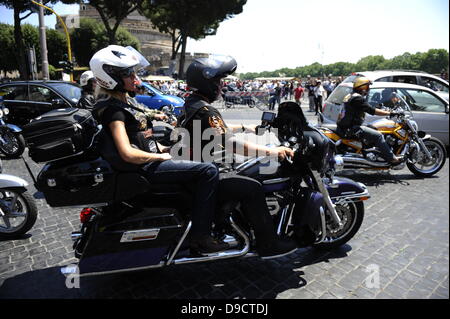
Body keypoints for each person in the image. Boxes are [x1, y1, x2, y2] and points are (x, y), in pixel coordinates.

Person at [89, 45, 229, 255]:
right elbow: (128, 153)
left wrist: (171, 148)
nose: (135, 77)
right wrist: (161, 155)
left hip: (146, 161)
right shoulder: (113, 111)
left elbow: (141, 139)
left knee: (194, 156)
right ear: (111, 77)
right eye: (128, 73)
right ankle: (201, 237)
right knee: (208, 171)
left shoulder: (124, 102)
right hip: (142, 168)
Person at [179, 55, 298, 259]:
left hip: (198, 166)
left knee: (245, 171)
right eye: (218, 82)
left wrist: (245, 127)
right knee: (252, 187)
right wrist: (273, 151)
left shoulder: (192, 103)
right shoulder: (206, 110)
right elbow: (229, 143)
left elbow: (215, 129)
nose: (221, 86)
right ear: (207, 83)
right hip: (211, 170)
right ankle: (268, 243)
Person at [336, 77, 403, 164]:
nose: (368, 89)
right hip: (351, 129)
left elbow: (365, 107)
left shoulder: (350, 95)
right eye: (367, 87)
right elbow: (372, 110)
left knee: (372, 128)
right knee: (378, 136)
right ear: (363, 88)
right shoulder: (358, 99)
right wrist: (390, 113)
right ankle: (391, 158)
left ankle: (372, 152)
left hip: (345, 127)